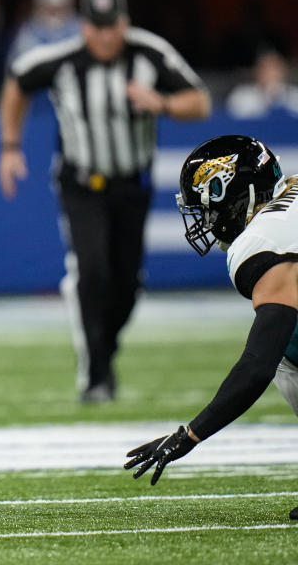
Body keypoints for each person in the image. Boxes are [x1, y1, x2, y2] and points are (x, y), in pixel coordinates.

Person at [0, 0, 211, 403]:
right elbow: (16, 83)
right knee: (92, 271)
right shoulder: (60, 59)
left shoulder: (149, 53)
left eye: (112, 26)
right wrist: (9, 146)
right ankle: (96, 375)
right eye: (96, 28)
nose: (106, 37)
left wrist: (162, 104)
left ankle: (103, 352)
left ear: (125, 24)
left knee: (127, 285)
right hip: (82, 183)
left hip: (132, 183)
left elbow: (199, 101)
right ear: (83, 28)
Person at [125, 134, 298, 521]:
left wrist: (191, 435)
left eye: (207, 209)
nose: (207, 222)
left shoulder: (262, 241)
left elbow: (257, 366)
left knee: (286, 350)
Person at [6, 0, 80, 67]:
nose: (55, 15)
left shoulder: (81, 29)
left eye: (60, 9)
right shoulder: (27, 33)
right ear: (38, 7)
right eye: (49, 9)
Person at [226, 48, 298, 119]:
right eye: (265, 68)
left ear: (284, 71)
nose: (270, 74)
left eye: (274, 69)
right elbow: (233, 122)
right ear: (256, 71)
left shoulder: (295, 95)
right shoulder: (241, 95)